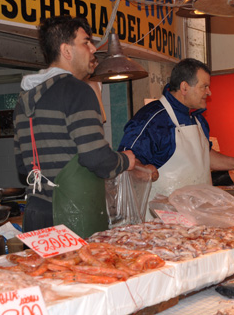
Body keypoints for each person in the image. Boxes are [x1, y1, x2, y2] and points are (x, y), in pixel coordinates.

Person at [13, 15, 149, 237]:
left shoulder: (24, 99)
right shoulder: (78, 90)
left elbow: (22, 166)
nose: (93, 49)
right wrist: (126, 160)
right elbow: (95, 158)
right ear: (67, 51)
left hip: (36, 216)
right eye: (86, 42)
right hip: (71, 218)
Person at [118, 58, 234, 215]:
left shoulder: (197, 118)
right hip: (163, 221)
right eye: (204, 87)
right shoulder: (152, 118)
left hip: (200, 215)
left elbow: (203, 156)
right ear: (184, 87)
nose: (209, 92)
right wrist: (144, 171)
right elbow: (126, 161)